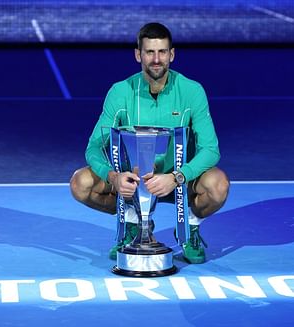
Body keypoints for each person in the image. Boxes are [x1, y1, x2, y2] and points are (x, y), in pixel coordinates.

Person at [70, 22, 229, 264]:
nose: (156, 59)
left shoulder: (192, 91)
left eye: (162, 52)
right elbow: (93, 147)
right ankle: (134, 222)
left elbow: (211, 149)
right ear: (138, 55)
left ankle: (189, 228)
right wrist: (113, 177)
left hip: (178, 181)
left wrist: (177, 176)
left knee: (218, 185)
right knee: (80, 183)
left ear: (172, 54)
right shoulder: (120, 92)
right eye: (149, 52)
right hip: (133, 183)